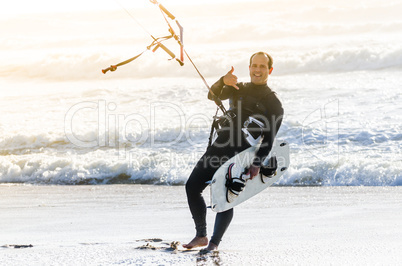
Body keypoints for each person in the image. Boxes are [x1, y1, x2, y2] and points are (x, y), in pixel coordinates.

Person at [183, 52, 284, 251]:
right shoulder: (239, 88)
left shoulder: (274, 103)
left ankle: (213, 243)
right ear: (249, 68)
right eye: (254, 65)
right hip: (219, 146)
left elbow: (269, 138)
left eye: (262, 66)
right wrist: (222, 80)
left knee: (224, 198)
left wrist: (257, 162)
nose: (257, 70)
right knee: (192, 187)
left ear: (270, 70)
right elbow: (213, 95)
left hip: (240, 155)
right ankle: (201, 235)